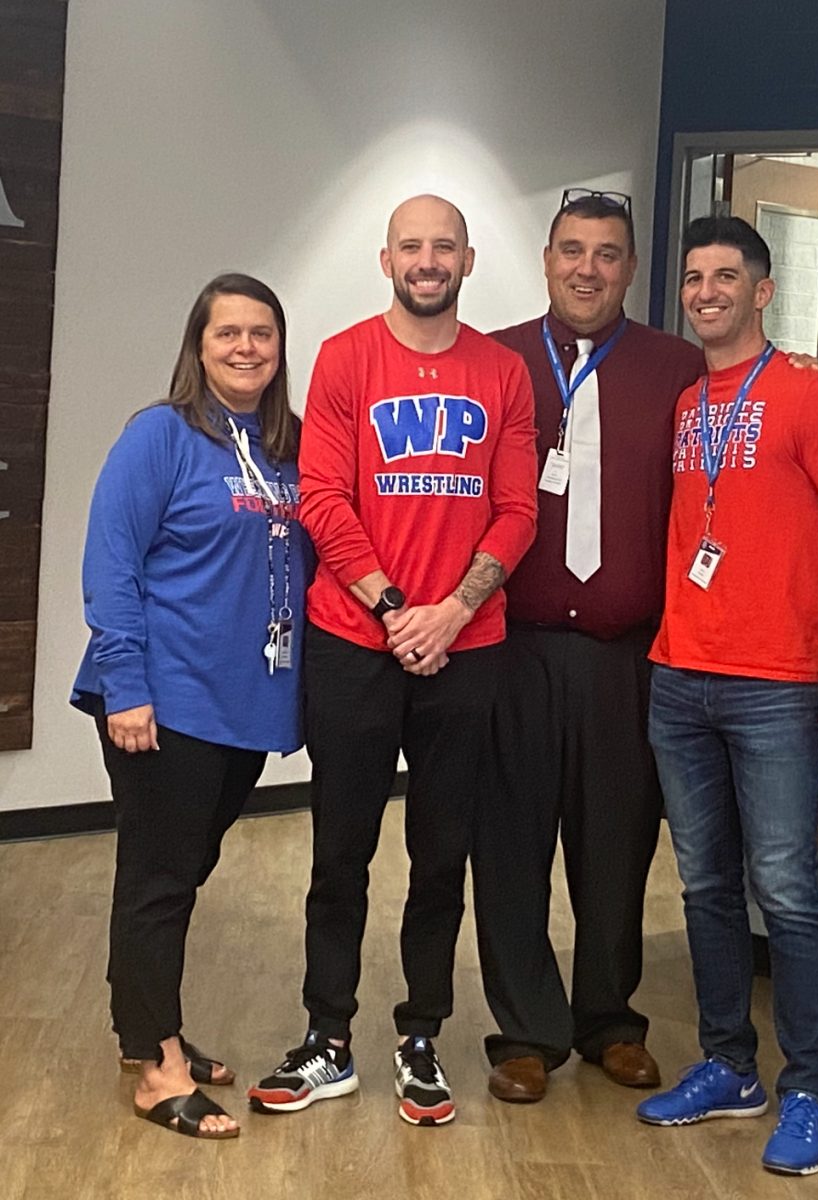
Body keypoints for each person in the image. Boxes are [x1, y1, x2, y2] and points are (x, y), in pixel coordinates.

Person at [248, 194, 538, 1127]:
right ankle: (328, 1039)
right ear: (386, 261)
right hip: (354, 641)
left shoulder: (502, 372)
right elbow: (323, 498)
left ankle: (420, 1037)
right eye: (411, 245)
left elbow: (518, 509)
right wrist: (394, 608)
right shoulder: (343, 359)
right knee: (341, 851)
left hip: (468, 645)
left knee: (440, 853)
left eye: (442, 245)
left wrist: (451, 612)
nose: (427, 259)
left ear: (468, 259)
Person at [636, 216, 818, 1177]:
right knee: (704, 885)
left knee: (783, 891)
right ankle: (726, 1066)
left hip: (780, 689)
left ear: (761, 290)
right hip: (681, 679)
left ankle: (806, 1091)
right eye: (693, 277)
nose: (704, 291)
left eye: (724, 277)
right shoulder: (685, 402)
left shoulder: (811, 397)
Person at [471, 190, 704, 1104]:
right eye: (572, 250)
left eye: (607, 254)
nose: (587, 269)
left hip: (625, 656)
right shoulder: (491, 362)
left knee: (615, 845)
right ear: (545, 259)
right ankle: (524, 1031)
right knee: (510, 844)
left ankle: (608, 1018)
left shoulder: (678, 367)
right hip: (512, 648)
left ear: (630, 268)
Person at [72, 273, 311, 1139]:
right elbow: (110, 566)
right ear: (198, 346)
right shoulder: (161, 436)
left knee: (179, 873)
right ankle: (154, 1061)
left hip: (243, 705)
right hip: (163, 701)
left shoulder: (287, 446)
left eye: (262, 334)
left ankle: (151, 1025)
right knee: (158, 879)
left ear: (280, 350)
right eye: (228, 334)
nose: (245, 348)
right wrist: (126, 686)